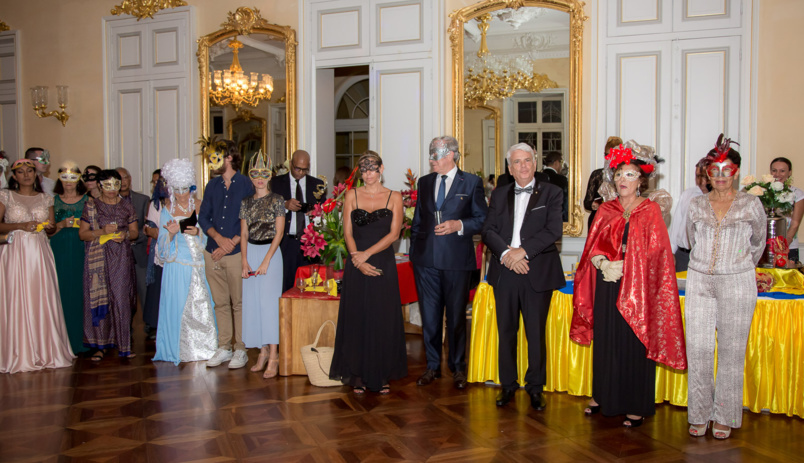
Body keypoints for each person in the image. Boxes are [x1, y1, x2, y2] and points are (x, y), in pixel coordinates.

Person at [571, 140, 687, 428]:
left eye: (630, 174)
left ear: (641, 180)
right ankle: (602, 395)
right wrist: (602, 263)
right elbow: (591, 247)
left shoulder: (650, 210)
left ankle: (636, 404)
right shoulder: (605, 209)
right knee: (607, 340)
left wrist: (629, 266)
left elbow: (658, 254)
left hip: (638, 288)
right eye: (619, 174)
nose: (623, 179)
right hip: (607, 284)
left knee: (633, 341)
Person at [685, 135, 766, 439]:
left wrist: (738, 263)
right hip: (699, 280)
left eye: (726, 169)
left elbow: (758, 243)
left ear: (736, 171)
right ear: (707, 173)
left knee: (732, 350)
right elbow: (691, 240)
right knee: (699, 348)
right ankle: (699, 413)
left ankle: (725, 415)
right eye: (714, 170)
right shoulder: (696, 204)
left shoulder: (751, 203)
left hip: (737, 281)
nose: (720, 176)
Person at [481, 143, 565, 410]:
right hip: (505, 270)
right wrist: (508, 254)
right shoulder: (499, 193)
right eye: (517, 162)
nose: (523, 166)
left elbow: (553, 230)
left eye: (527, 160)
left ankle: (535, 387)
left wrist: (523, 252)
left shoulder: (552, 192)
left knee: (535, 333)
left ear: (535, 163)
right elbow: (488, 230)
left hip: (536, 271)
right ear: (510, 168)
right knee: (506, 331)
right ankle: (507, 385)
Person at [409, 136, 488, 389]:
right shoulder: (424, 182)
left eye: (436, 155)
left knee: (455, 319)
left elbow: (483, 220)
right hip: (425, 263)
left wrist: (459, 225)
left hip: (456, 262)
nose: (432, 160)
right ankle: (432, 367)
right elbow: (418, 221)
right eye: (431, 155)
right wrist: (415, 254)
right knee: (430, 318)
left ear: (451, 155)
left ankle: (457, 367)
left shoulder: (472, 182)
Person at [330, 151, 408, 393]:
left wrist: (366, 255)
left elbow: (394, 235)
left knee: (381, 317)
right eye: (363, 169)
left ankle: (381, 374)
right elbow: (347, 233)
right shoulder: (351, 195)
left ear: (381, 169)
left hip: (382, 263)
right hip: (356, 265)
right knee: (357, 317)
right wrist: (357, 259)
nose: (368, 173)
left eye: (372, 168)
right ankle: (357, 374)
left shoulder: (395, 197)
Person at [0, 159, 75, 373]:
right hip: (15, 251)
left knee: (41, 296)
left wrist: (50, 227)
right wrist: (20, 225)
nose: (26, 175)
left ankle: (45, 349)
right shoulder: (6, 196)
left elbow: (50, 230)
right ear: (14, 176)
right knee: (16, 295)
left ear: (35, 174)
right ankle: (17, 351)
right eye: (21, 172)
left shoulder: (46, 198)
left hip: (40, 252)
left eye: (30, 171)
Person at [153, 159, 217, 365]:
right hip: (176, 267)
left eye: (185, 189)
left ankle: (206, 346)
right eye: (177, 189)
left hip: (200, 265)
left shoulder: (201, 206)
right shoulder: (167, 210)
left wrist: (198, 232)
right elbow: (161, 249)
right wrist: (171, 234)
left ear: (191, 187)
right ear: (171, 189)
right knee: (177, 308)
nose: (182, 194)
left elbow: (212, 237)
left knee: (203, 306)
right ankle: (178, 349)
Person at [199, 139, 255, 369]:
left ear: (229, 157)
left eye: (216, 156)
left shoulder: (246, 184)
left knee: (239, 303)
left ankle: (241, 348)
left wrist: (230, 242)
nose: (211, 161)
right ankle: (224, 346)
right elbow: (203, 217)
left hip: (235, 252)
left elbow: (250, 217)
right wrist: (218, 239)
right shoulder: (211, 186)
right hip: (212, 252)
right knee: (220, 303)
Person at [79, 169, 139, 360]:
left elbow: (135, 232)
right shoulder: (91, 206)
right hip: (98, 258)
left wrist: (125, 235)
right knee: (99, 298)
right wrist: (102, 231)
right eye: (107, 185)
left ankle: (124, 345)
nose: (112, 189)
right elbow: (82, 234)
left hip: (121, 257)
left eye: (116, 184)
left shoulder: (126, 206)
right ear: (99, 186)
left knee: (121, 299)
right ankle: (100, 346)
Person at [239, 151, 286, 378]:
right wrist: (244, 260)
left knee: (269, 305)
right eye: (255, 174)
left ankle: (274, 355)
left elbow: (279, 233)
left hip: (271, 254)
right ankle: (262, 352)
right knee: (254, 304)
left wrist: (267, 260)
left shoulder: (277, 200)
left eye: (264, 173)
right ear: (250, 175)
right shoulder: (246, 202)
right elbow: (243, 233)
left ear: (270, 175)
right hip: (251, 253)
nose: (260, 178)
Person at [270, 149, 326, 292]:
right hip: (286, 242)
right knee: (285, 285)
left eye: (304, 170)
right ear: (290, 164)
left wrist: (316, 213)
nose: (300, 173)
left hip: (310, 243)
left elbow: (324, 213)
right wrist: (285, 205)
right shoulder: (276, 183)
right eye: (297, 169)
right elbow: (267, 209)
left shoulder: (317, 184)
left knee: (311, 286)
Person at [50, 162, 90, 354]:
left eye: (73, 177)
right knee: (61, 290)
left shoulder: (88, 200)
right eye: (64, 177)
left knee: (81, 291)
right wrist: (60, 224)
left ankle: (82, 339)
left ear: (79, 179)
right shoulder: (52, 201)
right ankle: (61, 340)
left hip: (82, 248)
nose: (68, 181)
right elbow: (47, 229)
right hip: (59, 248)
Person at [116, 167, 150, 317]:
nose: (122, 182)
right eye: (118, 179)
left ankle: (149, 324)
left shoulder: (143, 200)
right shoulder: (109, 202)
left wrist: (131, 236)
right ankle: (124, 326)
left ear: (130, 179)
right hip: (117, 254)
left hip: (139, 252)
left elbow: (148, 227)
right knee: (121, 293)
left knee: (144, 290)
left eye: (125, 177)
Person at [669, 160, 710, 272]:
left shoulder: (718, 199)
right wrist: (671, 252)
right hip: (683, 255)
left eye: (704, 176)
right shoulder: (688, 194)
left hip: (706, 258)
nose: (701, 181)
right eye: (697, 176)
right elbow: (677, 224)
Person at [143, 176, 169, 338]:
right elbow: (149, 228)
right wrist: (159, 233)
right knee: (157, 289)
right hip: (160, 251)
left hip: (179, 252)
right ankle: (155, 324)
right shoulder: (155, 204)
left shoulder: (186, 203)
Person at [584, 136, 622, 229]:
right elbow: (587, 203)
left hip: (618, 220)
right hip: (598, 221)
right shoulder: (597, 174)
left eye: (613, 155)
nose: (609, 158)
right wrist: (595, 203)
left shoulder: (624, 176)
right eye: (607, 155)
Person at [770, 157, 803, 263]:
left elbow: (795, 224)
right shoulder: (764, 192)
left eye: (782, 171)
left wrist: (782, 247)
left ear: (789, 172)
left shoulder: (797, 193)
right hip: (766, 247)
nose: (777, 174)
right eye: (774, 170)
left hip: (788, 247)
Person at [542, 150, 569, 222]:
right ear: (556, 163)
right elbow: (565, 202)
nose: (561, 166)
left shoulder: (538, 178)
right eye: (561, 163)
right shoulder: (561, 180)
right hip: (556, 218)